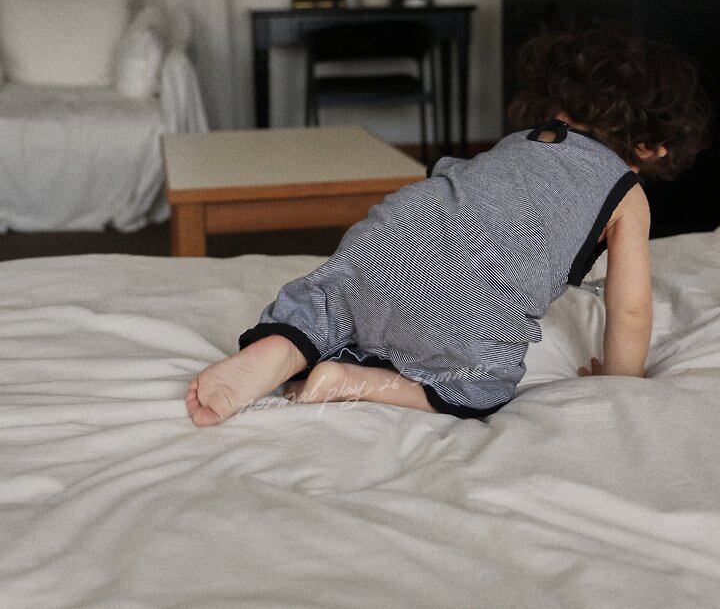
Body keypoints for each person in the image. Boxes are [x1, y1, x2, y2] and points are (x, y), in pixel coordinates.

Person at [186, 25, 711, 427]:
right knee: (480, 385)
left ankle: (284, 348)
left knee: (332, 297)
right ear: (654, 147)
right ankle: (355, 381)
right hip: (472, 297)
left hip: (393, 229)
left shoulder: (523, 142)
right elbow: (630, 308)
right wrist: (621, 378)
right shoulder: (628, 195)